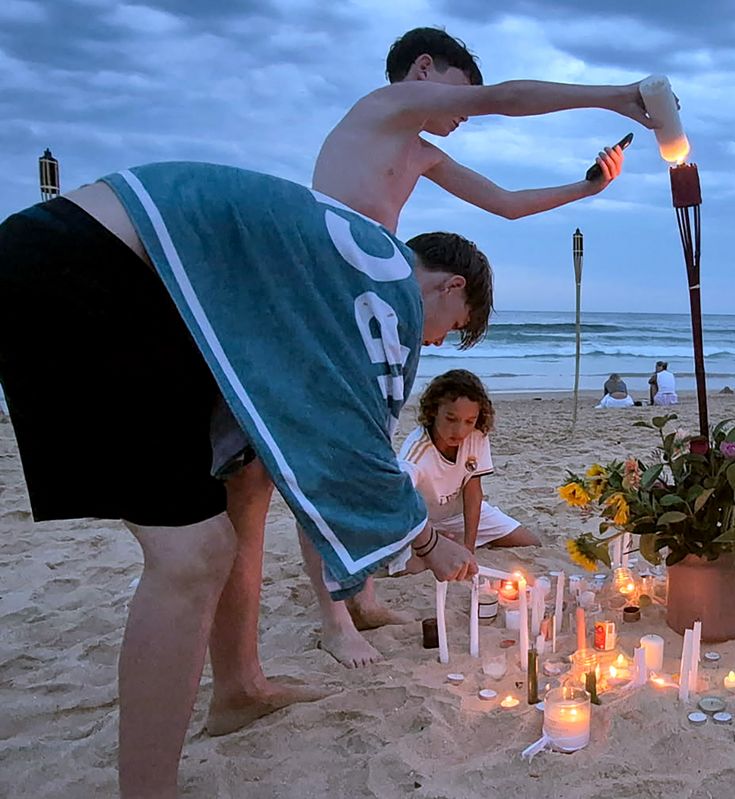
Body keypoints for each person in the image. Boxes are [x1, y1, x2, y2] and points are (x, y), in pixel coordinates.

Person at [0, 166, 489, 797]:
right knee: (190, 556)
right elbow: (353, 436)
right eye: (454, 325)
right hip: (85, 268)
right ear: (450, 286)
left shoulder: (347, 256)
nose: (438, 338)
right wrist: (426, 542)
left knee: (245, 481)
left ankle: (237, 688)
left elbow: (278, 392)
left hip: (141, 277)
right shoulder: (387, 284)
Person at [223, 26, 659, 672]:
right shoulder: (381, 107)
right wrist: (618, 96)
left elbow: (507, 204)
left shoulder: (420, 152)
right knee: (322, 465)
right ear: (422, 68)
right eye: (461, 96)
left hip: (363, 308)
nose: (465, 115)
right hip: (322, 294)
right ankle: (333, 618)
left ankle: (362, 596)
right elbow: (509, 98)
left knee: (353, 450)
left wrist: (587, 188)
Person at [310, 369, 538, 663]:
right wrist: (429, 541)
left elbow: (473, 492)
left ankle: (451, 542)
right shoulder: (416, 452)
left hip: (454, 514)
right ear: (433, 412)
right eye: (451, 419)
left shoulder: (477, 437)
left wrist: (468, 546)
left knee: (529, 541)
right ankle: (434, 547)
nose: (460, 430)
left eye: (469, 421)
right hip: (419, 520)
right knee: (411, 565)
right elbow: (402, 502)